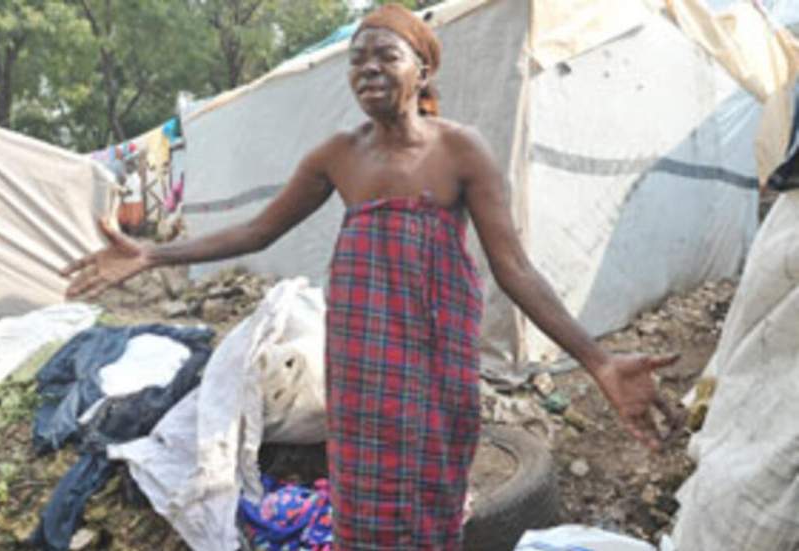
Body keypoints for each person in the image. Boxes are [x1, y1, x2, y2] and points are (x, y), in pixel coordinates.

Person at [62, 4, 681, 549]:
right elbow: (256, 232)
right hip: (362, 374)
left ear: (424, 71)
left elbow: (514, 268)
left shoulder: (462, 151)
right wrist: (152, 255)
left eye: (385, 54)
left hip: (436, 370)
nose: (367, 69)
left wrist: (597, 361)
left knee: (435, 495)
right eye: (356, 61)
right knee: (363, 504)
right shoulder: (338, 155)